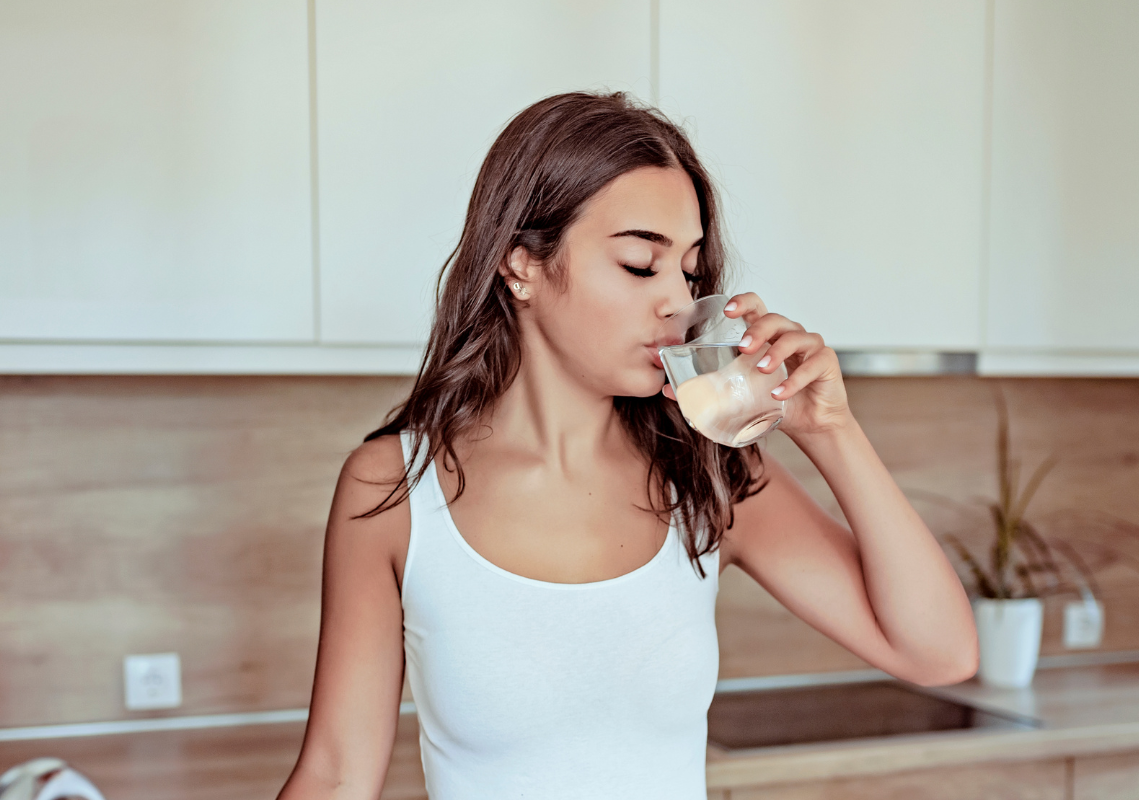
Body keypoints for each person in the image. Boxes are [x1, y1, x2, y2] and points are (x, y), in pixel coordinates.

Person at [276, 91, 977, 800]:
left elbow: (940, 653)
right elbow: (336, 776)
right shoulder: (395, 487)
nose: (676, 301)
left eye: (690, 271)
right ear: (520, 264)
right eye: (643, 265)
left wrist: (833, 434)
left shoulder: (709, 474)